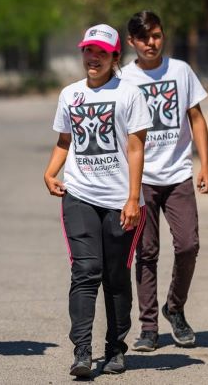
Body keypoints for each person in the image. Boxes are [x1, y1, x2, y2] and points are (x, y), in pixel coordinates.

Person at [43, 24, 152, 377]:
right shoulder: (70, 94)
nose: (93, 58)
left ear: (115, 57)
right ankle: (82, 351)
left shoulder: (129, 94)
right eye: (88, 51)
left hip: (121, 199)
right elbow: (65, 139)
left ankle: (116, 348)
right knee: (86, 270)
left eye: (101, 52)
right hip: (80, 195)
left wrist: (133, 198)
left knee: (116, 276)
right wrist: (50, 172)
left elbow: (136, 147)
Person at [120, 11, 208, 351]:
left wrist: (205, 165)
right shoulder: (124, 78)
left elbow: (197, 118)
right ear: (131, 42)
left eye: (156, 35)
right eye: (143, 38)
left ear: (163, 35)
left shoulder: (180, 71)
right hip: (140, 180)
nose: (151, 43)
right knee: (146, 252)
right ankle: (148, 327)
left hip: (177, 176)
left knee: (188, 244)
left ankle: (175, 307)